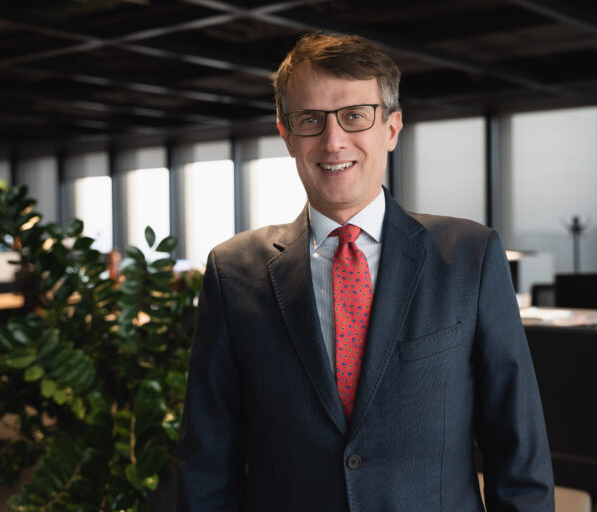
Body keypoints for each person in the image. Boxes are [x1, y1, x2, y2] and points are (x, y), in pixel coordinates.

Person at [177, 33, 554, 512]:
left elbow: (518, 453)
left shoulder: (469, 257)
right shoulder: (232, 272)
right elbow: (208, 461)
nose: (333, 141)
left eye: (355, 115)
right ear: (286, 135)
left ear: (392, 129)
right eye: (310, 120)